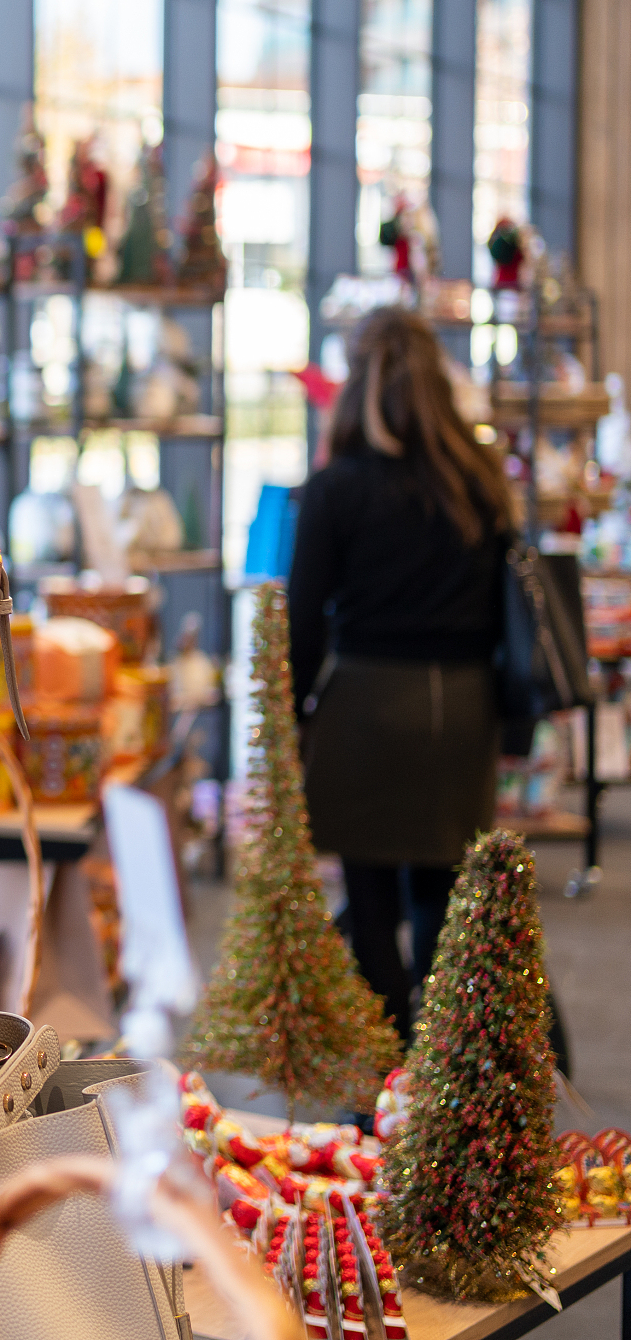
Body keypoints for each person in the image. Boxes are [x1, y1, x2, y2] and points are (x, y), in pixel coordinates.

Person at [288, 307, 508, 1042]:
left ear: (356, 385)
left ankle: (387, 1061)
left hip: (367, 710)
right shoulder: (479, 480)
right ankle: (446, 1060)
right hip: (463, 710)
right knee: (446, 895)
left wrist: (290, 718)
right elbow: (506, 611)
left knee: (371, 899)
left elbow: (304, 621)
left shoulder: (335, 489)